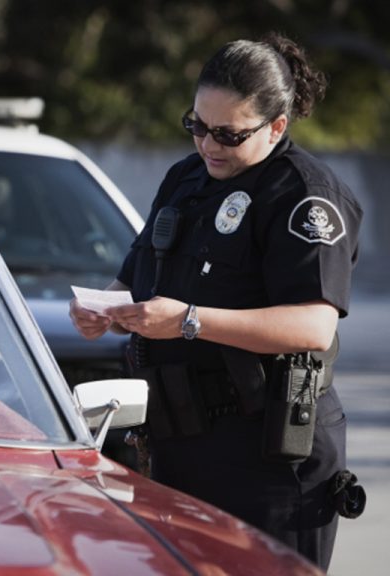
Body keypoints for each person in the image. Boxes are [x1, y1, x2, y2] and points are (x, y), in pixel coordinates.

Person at [69, 32, 363, 570]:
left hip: (267, 455)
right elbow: (136, 279)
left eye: (228, 134)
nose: (208, 145)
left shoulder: (304, 194)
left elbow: (313, 325)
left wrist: (187, 321)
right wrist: (105, 311)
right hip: (178, 445)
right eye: (197, 126)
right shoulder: (186, 180)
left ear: (277, 126)